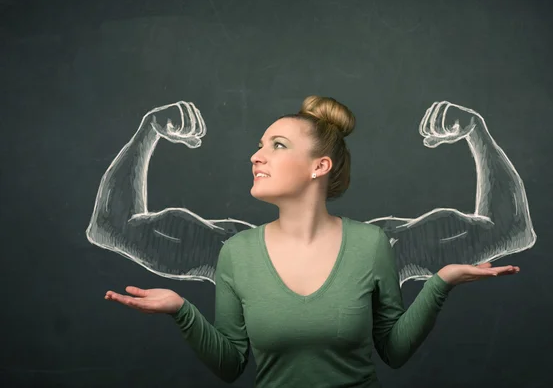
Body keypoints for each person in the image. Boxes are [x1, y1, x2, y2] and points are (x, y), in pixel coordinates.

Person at [102, 96, 524, 387]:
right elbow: (114, 224)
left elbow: (508, 227)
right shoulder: (233, 250)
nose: (257, 156)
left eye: (277, 145)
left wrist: (441, 283)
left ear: (319, 166)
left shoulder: (377, 244)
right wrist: (182, 310)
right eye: (260, 145)